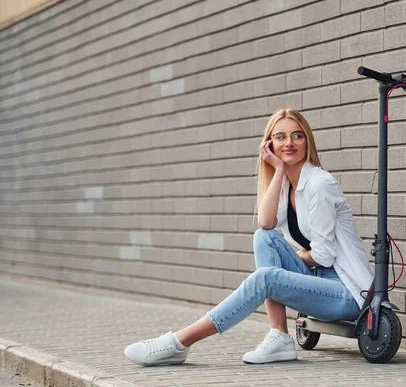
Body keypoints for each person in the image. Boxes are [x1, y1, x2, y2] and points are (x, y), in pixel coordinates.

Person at [124, 108, 374, 365]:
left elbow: (324, 255)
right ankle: (279, 336)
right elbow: (266, 223)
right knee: (263, 237)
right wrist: (277, 170)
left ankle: (180, 342)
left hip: (346, 291)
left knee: (267, 277)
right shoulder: (289, 184)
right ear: (270, 144)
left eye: (297, 136)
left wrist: (293, 262)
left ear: (307, 141)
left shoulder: (319, 184)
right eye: (280, 137)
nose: (289, 143)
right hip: (317, 280)